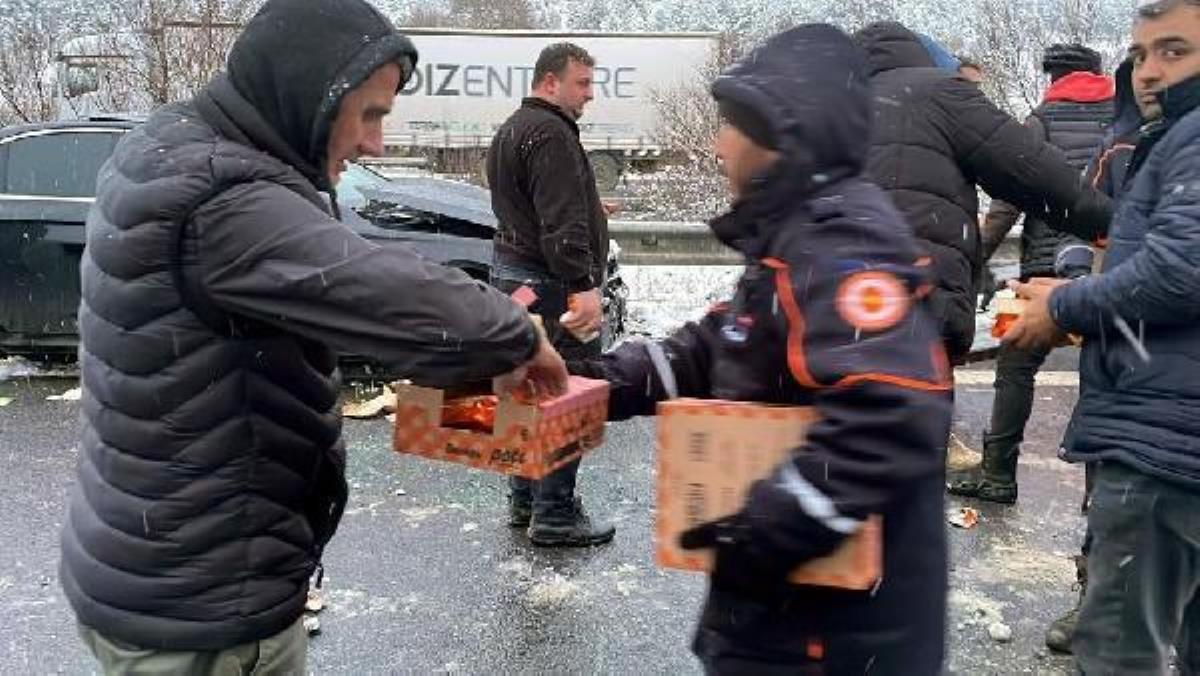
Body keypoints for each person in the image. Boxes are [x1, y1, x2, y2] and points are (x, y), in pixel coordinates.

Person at [60, 0, 567, 672]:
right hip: (201, 614)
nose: (375, 144)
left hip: (163, 565)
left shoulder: (174, 147)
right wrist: (515, 335)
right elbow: (372, 285)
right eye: (370, 115)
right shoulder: (221, 201)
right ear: (307, 96)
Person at [572, 24, 952, 673]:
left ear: (780, 135)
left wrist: (766, 529)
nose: (718, 144)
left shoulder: (841, 241)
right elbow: (723, 341)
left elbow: (894, 410)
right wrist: (598, 386)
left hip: (830, 640)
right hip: (790, 621)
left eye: (728, 125)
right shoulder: (801, 235)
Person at [1004, 0, 1200, 671]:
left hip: (1165, 445)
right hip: (1174, 426)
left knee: (1119, 651)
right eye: (1142, 54)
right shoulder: (1156, 133)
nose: (1149, 71)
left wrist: (1067, 308)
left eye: (1174, 51)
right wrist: (1076, 279)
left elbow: (1180, 271)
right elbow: (1124, 236)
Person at [852, 22, 1112, 365]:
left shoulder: (821, 107)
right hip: (908, 305)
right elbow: (1034, 175)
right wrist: (1123, 227)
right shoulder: (940, 90)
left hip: (813, 309)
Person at [949, 44, 1115, 505]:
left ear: (1053, 79)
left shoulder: (1040, 121)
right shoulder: (1126, 122)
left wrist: (974, 256)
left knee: (1017, 367)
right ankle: (1099, 500)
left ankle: (998, 472)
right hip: (1108, 267)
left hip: (1046, 267)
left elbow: (1007, 199)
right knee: (1103, 377)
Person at [487, 43, 615, 547]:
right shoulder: (552, 133)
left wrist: (590, 206)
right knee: (569, 390)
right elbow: (560, 224)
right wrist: (583, 287)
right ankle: (556, 513)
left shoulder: (513, 128)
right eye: (582, 83)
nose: (590, 94)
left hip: (515, 277)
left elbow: (532, 206)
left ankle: (525, 499)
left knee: (524, 389)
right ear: (549, 82)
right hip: (551, 283)